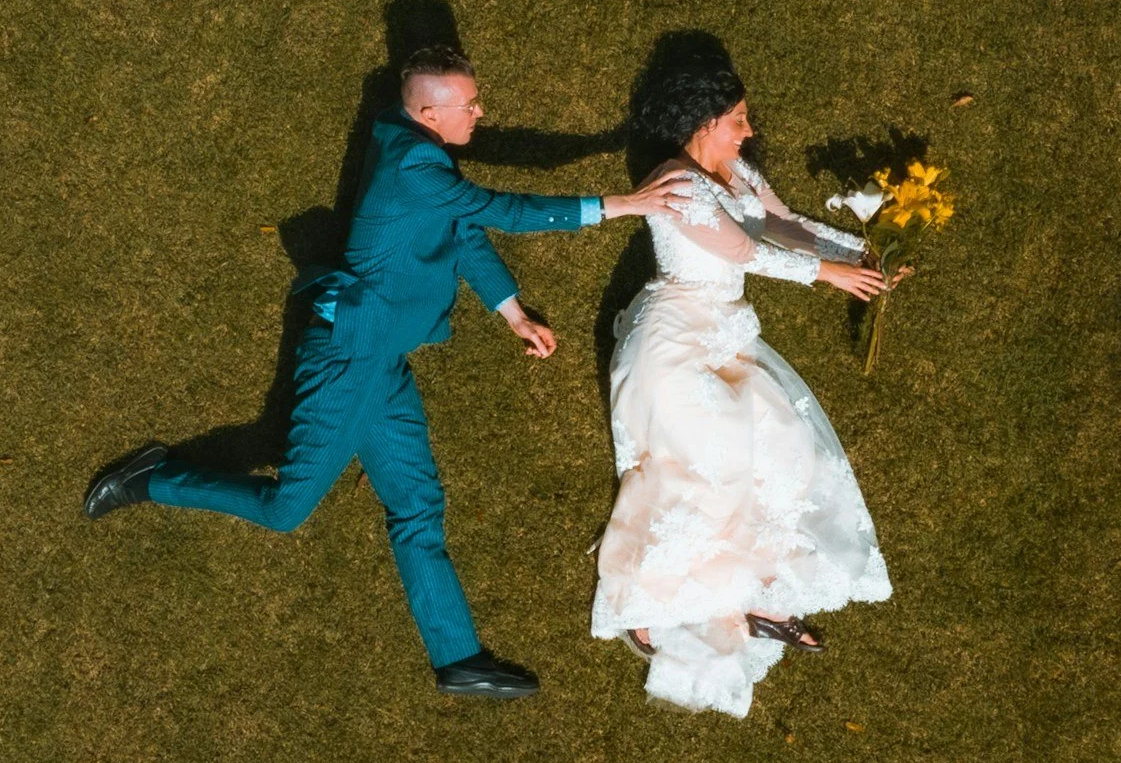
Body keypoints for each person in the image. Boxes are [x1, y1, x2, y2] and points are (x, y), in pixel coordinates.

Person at [82, 45, 693, 700]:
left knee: (416, 507)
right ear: (429, 112)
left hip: (379, 356)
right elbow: (501, 210)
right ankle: (155, 479)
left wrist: (512, 313)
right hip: (348, 358)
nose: (481, 112)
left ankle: (458, 659)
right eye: (469, 104)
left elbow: (460, 228)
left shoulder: (421, 156)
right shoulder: (411, 164)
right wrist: (626, 205)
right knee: (288, 510)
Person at [591, 53, 904, 718]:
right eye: (736, 119)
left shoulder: (731, 170)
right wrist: (827, 277)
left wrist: (864, 257)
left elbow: (782, 225)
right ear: (701, 121)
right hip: (673, 341)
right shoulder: (674, 182)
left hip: (724, 334)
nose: (747, 130)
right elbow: (740, 251)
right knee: (705, 472)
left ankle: (756, 595)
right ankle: (641, 602)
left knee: (784, 456)